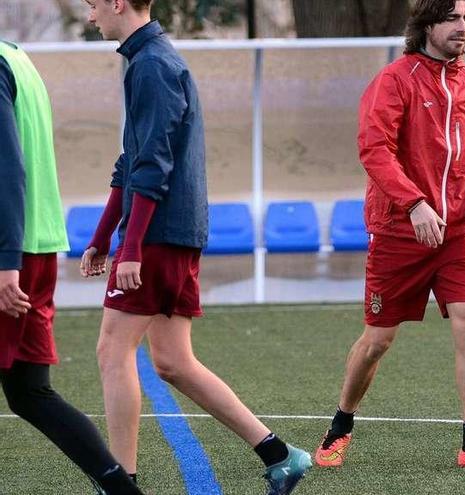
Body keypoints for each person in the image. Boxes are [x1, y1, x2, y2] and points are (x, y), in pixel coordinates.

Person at [80, 1, 310, 493]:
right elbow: (132, 161)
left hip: (159, 237)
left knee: (111, 350)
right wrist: (103, 237)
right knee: (173, 362)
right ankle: (280, 454)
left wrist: (132, 247)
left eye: (94, 4)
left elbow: (152, 167)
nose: (91, 15)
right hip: (169, 235)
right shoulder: (145, 60)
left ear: (118, 2)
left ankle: (121, 483)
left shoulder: (154, 65)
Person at [314, 0, 465, 469]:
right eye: (451, 18)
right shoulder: (395, 80)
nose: (462, 27)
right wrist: (414, 203)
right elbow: (374, 149)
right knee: (377, 341)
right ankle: (340, 426)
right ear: (427, 24)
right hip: (398, 232)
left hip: (456, 236)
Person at [0, 39, 143, 494]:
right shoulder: (17, 57)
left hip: (11, 254)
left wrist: (5, 263)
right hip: (36, 246)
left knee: (30, 392)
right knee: (29, 393)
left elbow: (8, 169)